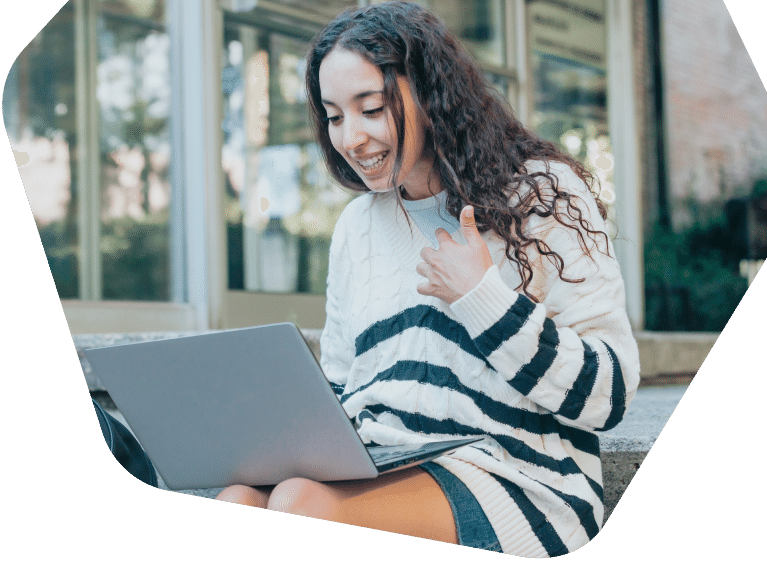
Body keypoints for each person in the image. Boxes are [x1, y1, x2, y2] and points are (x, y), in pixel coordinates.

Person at [216, 1, 640, 558]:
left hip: (518, 473)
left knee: (301, 507)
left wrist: (482, 301)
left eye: (371, 109)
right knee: (237, 501)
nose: (352, 139)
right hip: (386, 461)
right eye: (335, 116)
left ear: (430, 92)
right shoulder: (357, 227)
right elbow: (344, 385)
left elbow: (607, 395)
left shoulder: (540, 194)